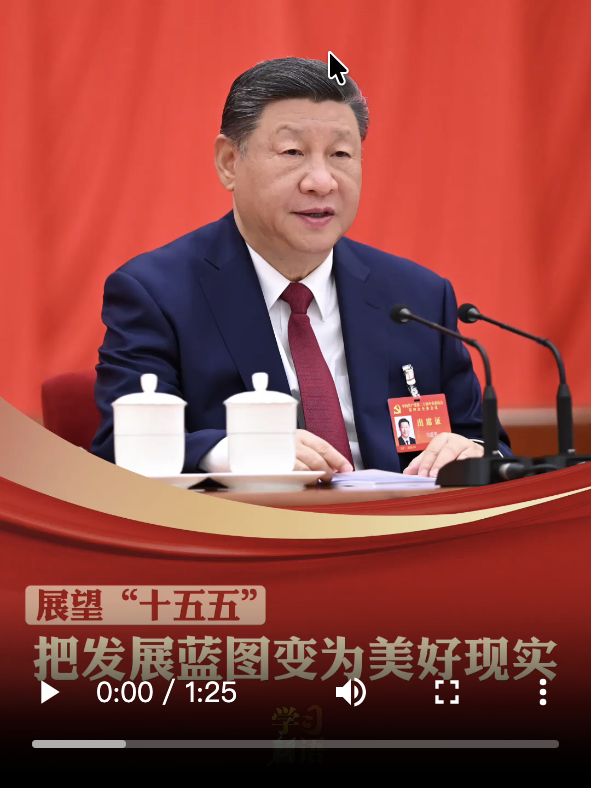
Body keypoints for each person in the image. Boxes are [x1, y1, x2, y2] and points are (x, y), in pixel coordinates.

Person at [91, 57, 511, 481]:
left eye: (341, 154)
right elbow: (120, 446)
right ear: (229, 162)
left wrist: (473, 451)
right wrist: (231, 453)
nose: (321, 181)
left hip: (398, 519)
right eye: (293, 152)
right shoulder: (157, 293)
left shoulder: (417, 298)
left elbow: (485, 441)